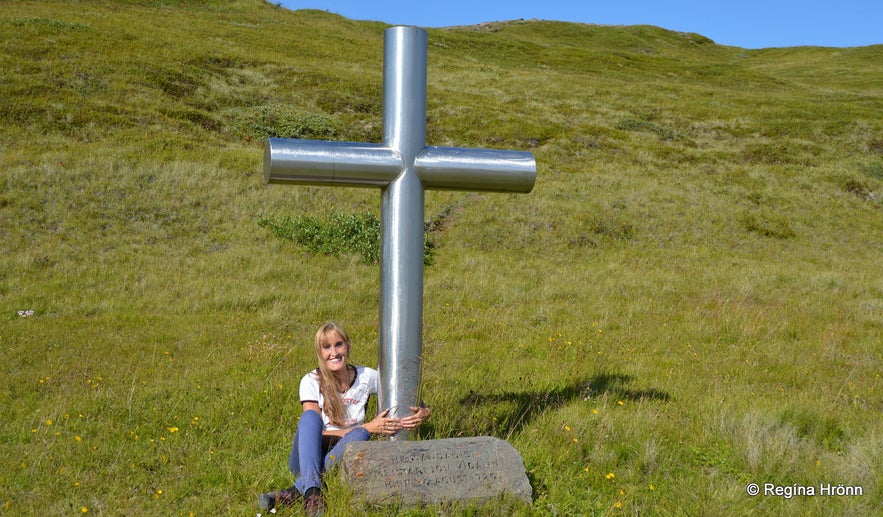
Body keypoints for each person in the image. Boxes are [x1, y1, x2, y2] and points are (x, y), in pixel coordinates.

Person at [259, 322, 431, 515]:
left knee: (360, 434)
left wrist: (423, 411)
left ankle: (298, 493)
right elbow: (314, 433)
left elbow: (403, 391)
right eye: (326, 347)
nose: (334, 352)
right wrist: (369, 428)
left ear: (348, 346)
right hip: (309, 455)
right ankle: (313, 491)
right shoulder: (310, 380)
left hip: (347, 452)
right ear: (319, 352)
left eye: (338, 344)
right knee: (311, 418)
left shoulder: (367, 376)